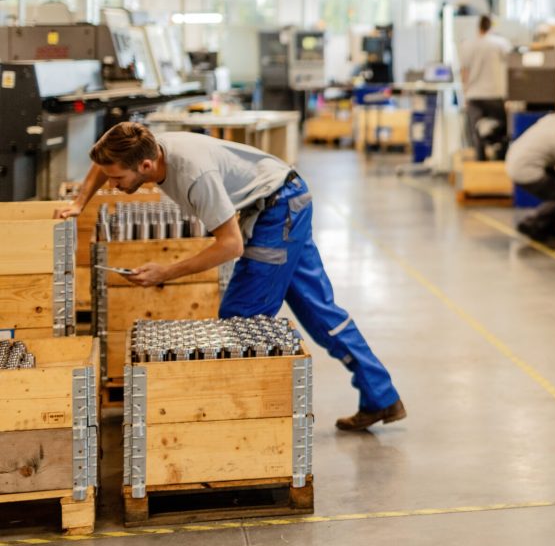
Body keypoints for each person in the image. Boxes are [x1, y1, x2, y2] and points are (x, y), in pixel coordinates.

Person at [59, 123, 407, 432]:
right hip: (284, 197)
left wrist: (167, 272)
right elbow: (102, 164)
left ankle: (241, 431)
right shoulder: (140, 146)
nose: (114, 186)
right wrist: (79, 204)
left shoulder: (195, 177)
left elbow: (230, 246)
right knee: (318, 309)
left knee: (240, 319)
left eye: (118, 180)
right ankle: (381, 396)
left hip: (278, 209)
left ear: (146, 166)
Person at [505, 111, 555, 241]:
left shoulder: (554, 120)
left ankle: (550, 228)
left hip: (515, 160)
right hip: (524, 169)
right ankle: (531, 223)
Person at [459, 15, 512, 161]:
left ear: (479, 27)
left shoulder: (469, 44)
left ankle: (480, 158)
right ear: (491, 27)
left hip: (474, 95)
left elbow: (464, 71)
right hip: (495, 94)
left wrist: (465, 93)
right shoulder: (501, 43)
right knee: (501, 129)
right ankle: (500, 157)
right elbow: (512, 65)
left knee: (476, 132)